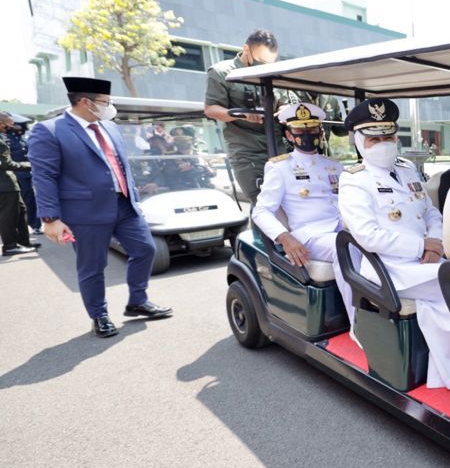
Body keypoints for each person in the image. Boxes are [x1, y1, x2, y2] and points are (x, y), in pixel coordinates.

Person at [338, 97, 450, 390]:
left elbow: (430, 212)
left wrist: (435, 240)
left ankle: (448, 365)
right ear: (360, 142)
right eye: (375, 139)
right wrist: (421, 247)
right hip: (389, 267)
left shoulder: (408, 169)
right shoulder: (354, 181)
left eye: (388, 136)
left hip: (425, 258)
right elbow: (367, 235)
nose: (384, 143)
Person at [28, 77, 172, 337]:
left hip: (125, 205)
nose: (110, 106)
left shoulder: (109, 126)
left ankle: (137, 301)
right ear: (85, 102)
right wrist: (50, 218)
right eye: (105, 102)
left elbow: (118, 163)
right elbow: (44, 176)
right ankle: (99, 315)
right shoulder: (50, 130)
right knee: (92, 267)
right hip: (85, 212)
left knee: (145, 249)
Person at [251, 103, 356, 324]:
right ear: (289, 135)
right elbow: (261, 211)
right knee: (345, 247)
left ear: (320, 131)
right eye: (301, 131)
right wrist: (284, 237)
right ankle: (358, 322)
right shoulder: (280, 167)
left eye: (312, 130)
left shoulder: (334, 166)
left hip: (342, 228)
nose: (308, 135)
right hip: (311, 235)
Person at [203, 29, 283, 204]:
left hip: (278, 148)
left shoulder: (273, 73)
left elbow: (282, 100)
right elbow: (211, 109)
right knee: (262, 204)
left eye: (269, 63)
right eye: (260, 61)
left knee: (288, 202)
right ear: (246, 49)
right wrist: (242, 114)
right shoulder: (222, 72)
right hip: (248, 152)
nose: (263, 67)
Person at [0, 112, 38, 255]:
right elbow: (5, 164)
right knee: (8, 216)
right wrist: (29, 164)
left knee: (21, 212)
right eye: (8, 124)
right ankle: (10, 246)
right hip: (4, 185)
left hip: (9, 183)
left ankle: (22, 242)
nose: (11, 127)